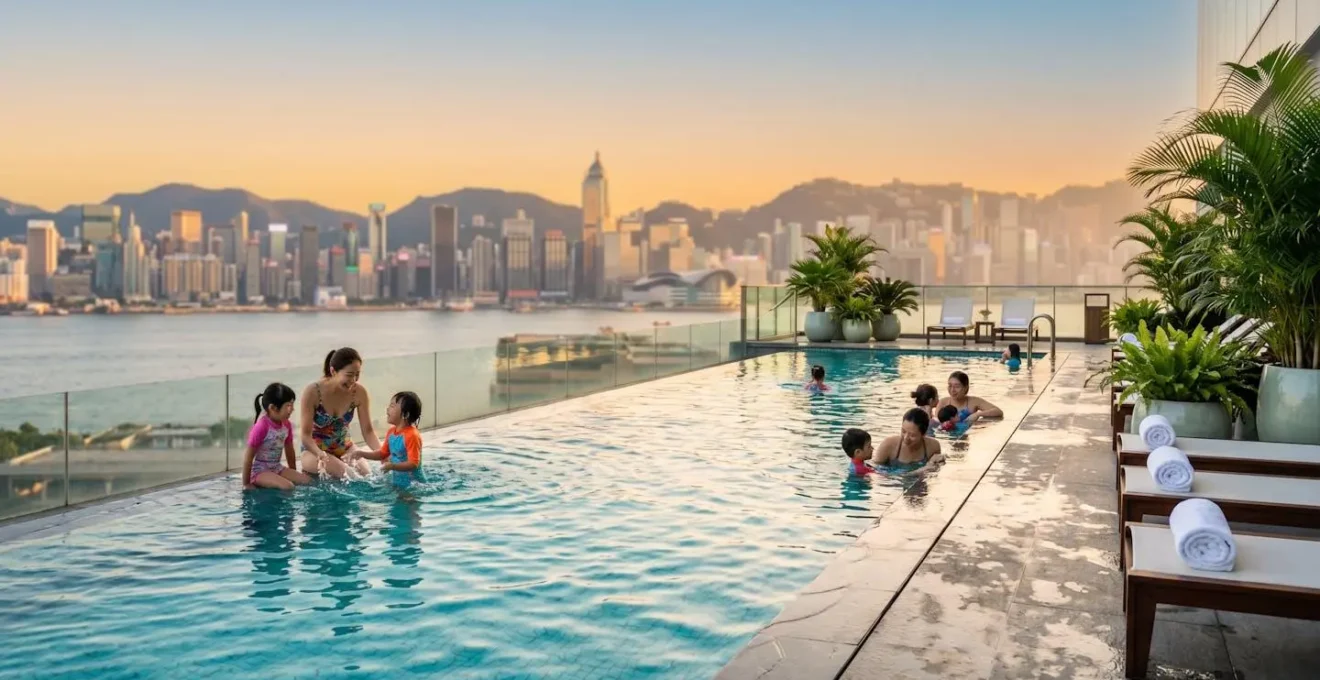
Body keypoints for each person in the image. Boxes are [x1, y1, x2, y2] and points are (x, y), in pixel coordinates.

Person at [300, 347, 382, 479]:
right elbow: (305, 436)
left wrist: (384, 455)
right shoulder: (313, 392)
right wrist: (319, 453)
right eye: (349, 375)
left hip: (345, 448)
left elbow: (368, 431)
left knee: (367, 476)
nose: (353, 380)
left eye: (357, 374)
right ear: (333, 371)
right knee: (349, 475)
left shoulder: (359, 393)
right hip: (314, 453)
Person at [243, 382, 313, 490]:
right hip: (260, 471)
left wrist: (293, 472)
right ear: (273, 408)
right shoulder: (261, 427)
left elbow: (289, 450)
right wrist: (246, 484)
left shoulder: (286, 425)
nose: (292, 409)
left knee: (307, 481)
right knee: (288, 486)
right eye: (288, 406)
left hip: (276, 467)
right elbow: (248, 457)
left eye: (292, 405)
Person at [357, 391, 425, 489]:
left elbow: (413, 464)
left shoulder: (412, 436)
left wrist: (392, 466)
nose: (387, 408)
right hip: (398, 483)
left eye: (392, 406)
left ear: (405, 415)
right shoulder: (391, 432)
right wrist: (362, 454)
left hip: (414, 485)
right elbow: (382, 454)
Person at [872, 408, 946, 470]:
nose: (906, 438)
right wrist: (922, 470)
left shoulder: (933, 446)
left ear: (923, 434)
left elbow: (933, 474)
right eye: (903, 431)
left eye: (912, 435)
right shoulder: (888, 445)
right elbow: (875, 473)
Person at [936, 371, 1003, 425]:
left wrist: (977, 414)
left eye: (957, 386)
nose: (952, 390)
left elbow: (998, 411)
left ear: (966, 388)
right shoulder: (943, 402)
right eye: (950, 386)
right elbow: (936, 423)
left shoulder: (973, 401)